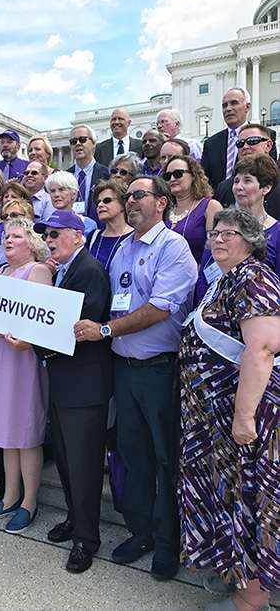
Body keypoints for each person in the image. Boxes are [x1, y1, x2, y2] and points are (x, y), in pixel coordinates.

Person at [75, 176, 198, 581]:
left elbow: (160, 308)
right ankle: (141, 532)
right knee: (134, 456)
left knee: (165, 459)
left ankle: (168, 543)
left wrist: (106, 331)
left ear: (161, 203)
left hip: (159, 370)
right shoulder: (123, 248)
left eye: (138, 195)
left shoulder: (173, 247)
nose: (130, 202)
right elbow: (113, 301)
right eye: (126, 197)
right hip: (124, 372)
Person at [178, 208, 279, 611]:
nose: (218, 239)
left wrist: (243, 417)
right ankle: (235, 574)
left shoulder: (254, 279)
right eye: (215, 232)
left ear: (251, 240)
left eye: (230, 233)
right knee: (228, 497)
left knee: (249, 500)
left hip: (243, 420)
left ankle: (251, 598)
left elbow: (263, 350)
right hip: (213, 421)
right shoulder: (226, 280)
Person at [32, 210, 112, 573]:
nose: (49, 240)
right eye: (46, 235)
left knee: (83, 466)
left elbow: (78, 331)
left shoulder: (90, 271)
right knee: (65, 460)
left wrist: (34, 344)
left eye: (56, 233)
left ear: (78, 236)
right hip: (64, 383)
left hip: (84, 386)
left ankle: (86, 538)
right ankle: (75, 520)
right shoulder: (64, 271)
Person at [0, 218, 52, 534]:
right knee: (6, 432)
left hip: (20, 362)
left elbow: (37, 320)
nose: (8, 240)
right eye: (5, 236)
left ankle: (29, 501)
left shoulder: (38, 271)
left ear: (31, 242)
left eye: (16, 236)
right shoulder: (0, 272)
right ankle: (8, 496)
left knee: (25, 431)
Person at [196, 154, 280, 302]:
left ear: (266, 188)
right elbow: (205, 273)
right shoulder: (220, 226)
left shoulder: (277, 232)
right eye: (236, 181)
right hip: (213, 314)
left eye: (247, 180)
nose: (238, 187)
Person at [202, 88, 277, 190]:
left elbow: (269, 173)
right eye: (224, 105)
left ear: (247, 107)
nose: (228, 109)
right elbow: (204, 178)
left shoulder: (266, 135)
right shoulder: (210, 143)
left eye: (234, 103)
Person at [160, 155, 222, 264]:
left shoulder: (210, 206)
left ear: (193, 175)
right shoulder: (163, 210)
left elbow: (216, 249)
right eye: (167, 176)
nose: (172, 179)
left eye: (178, 174)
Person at [214, 124, 280, 219]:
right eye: (240, 143)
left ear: (268, 145)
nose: (245, 147)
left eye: (252, 141)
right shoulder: (224, 188)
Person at [86, 179, 133, 271]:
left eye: (107, 200)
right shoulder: (93, 236)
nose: (100, 205)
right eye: (98, 202)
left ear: (123, 204)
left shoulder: (135, 236)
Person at [67, 124, 109, 222]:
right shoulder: (66, 176)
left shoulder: (106, 174)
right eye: (73, 141)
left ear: (94, 143)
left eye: (82, 139)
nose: (77, 143)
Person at [45, 170, 97, 237]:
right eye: (52, 191)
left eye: (61, 189)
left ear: (74, 194)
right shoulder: (45, 223)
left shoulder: (88, 224)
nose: (56, 194)